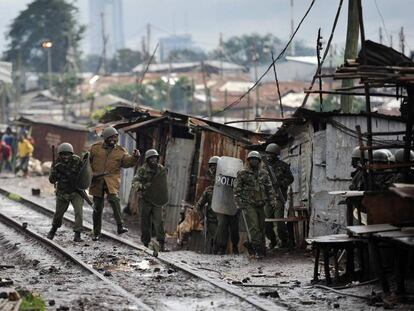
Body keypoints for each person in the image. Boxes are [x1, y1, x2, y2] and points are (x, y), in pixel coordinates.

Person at [89, 127, 140, 241]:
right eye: (111, 137)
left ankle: (120, 226)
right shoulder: (95, 149)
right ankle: (96, 233)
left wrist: (135, 157)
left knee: (114, 200)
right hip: (97, 181)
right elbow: (86, 162)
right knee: (97, 207)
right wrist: (90, 174)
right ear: (106, 138)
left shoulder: (121, 151)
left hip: (111, 180)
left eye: (115, 137)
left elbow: (127, 162)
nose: (113, 139)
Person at [234, 151, 277, 259]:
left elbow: (269, 188)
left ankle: (256, 247)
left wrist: (273, 201)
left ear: (259, 161)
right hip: (249, 204)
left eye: (256, 159)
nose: (254, 161)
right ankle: (258, 250)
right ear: (248, 161)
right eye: (251, 159)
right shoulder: (242, 173)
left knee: (262, 228)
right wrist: (239, 203)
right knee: (254, 227)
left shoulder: (264, 173)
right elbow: (236, 190)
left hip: (261, 204)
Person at [132, 149, 168, 251]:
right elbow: (135, 181)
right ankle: (145, 243)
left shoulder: (161, 169)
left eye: (155, 158)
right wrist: (141, 186)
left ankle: (161, 243)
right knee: (145, 222)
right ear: (147, 160)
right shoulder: (142, 170)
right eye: (151, 158)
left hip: (156, 200)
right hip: (145, 199)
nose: (153, 160)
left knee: (159, 222)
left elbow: (162, 184)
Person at [47, 143, 84, 242]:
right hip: (63, 192)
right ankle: (53, 230)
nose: (65, 157)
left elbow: (84, 174)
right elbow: (51, 180)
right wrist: (56, 173)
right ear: (59, 155)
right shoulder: (56, 163)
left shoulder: (77, 160)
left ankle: (77, 234)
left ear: (71, 154)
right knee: (58, 214)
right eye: (63, 154)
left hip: (76, 191)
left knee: (79, 213)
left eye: (68, 154)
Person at [263, 143, 294, 249]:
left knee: (279, 223)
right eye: (268, 154)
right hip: (267, 199)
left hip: (279, 198)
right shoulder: (264, 167)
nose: (269, 156)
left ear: (276, 155)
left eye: (271, 154)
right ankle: (272, 241)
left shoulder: (283, 166)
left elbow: (291, 178)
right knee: (267, 224)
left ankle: (284, 241)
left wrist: (280, 183)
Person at [195, 156, 219, 253]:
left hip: (224, 220)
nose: (213, 169)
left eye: (215, 166)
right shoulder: (208, 190)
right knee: (214, 240)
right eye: (211, 166)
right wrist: (202, 218)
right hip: (212, 219)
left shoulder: (227, 189)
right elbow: (198, 206)